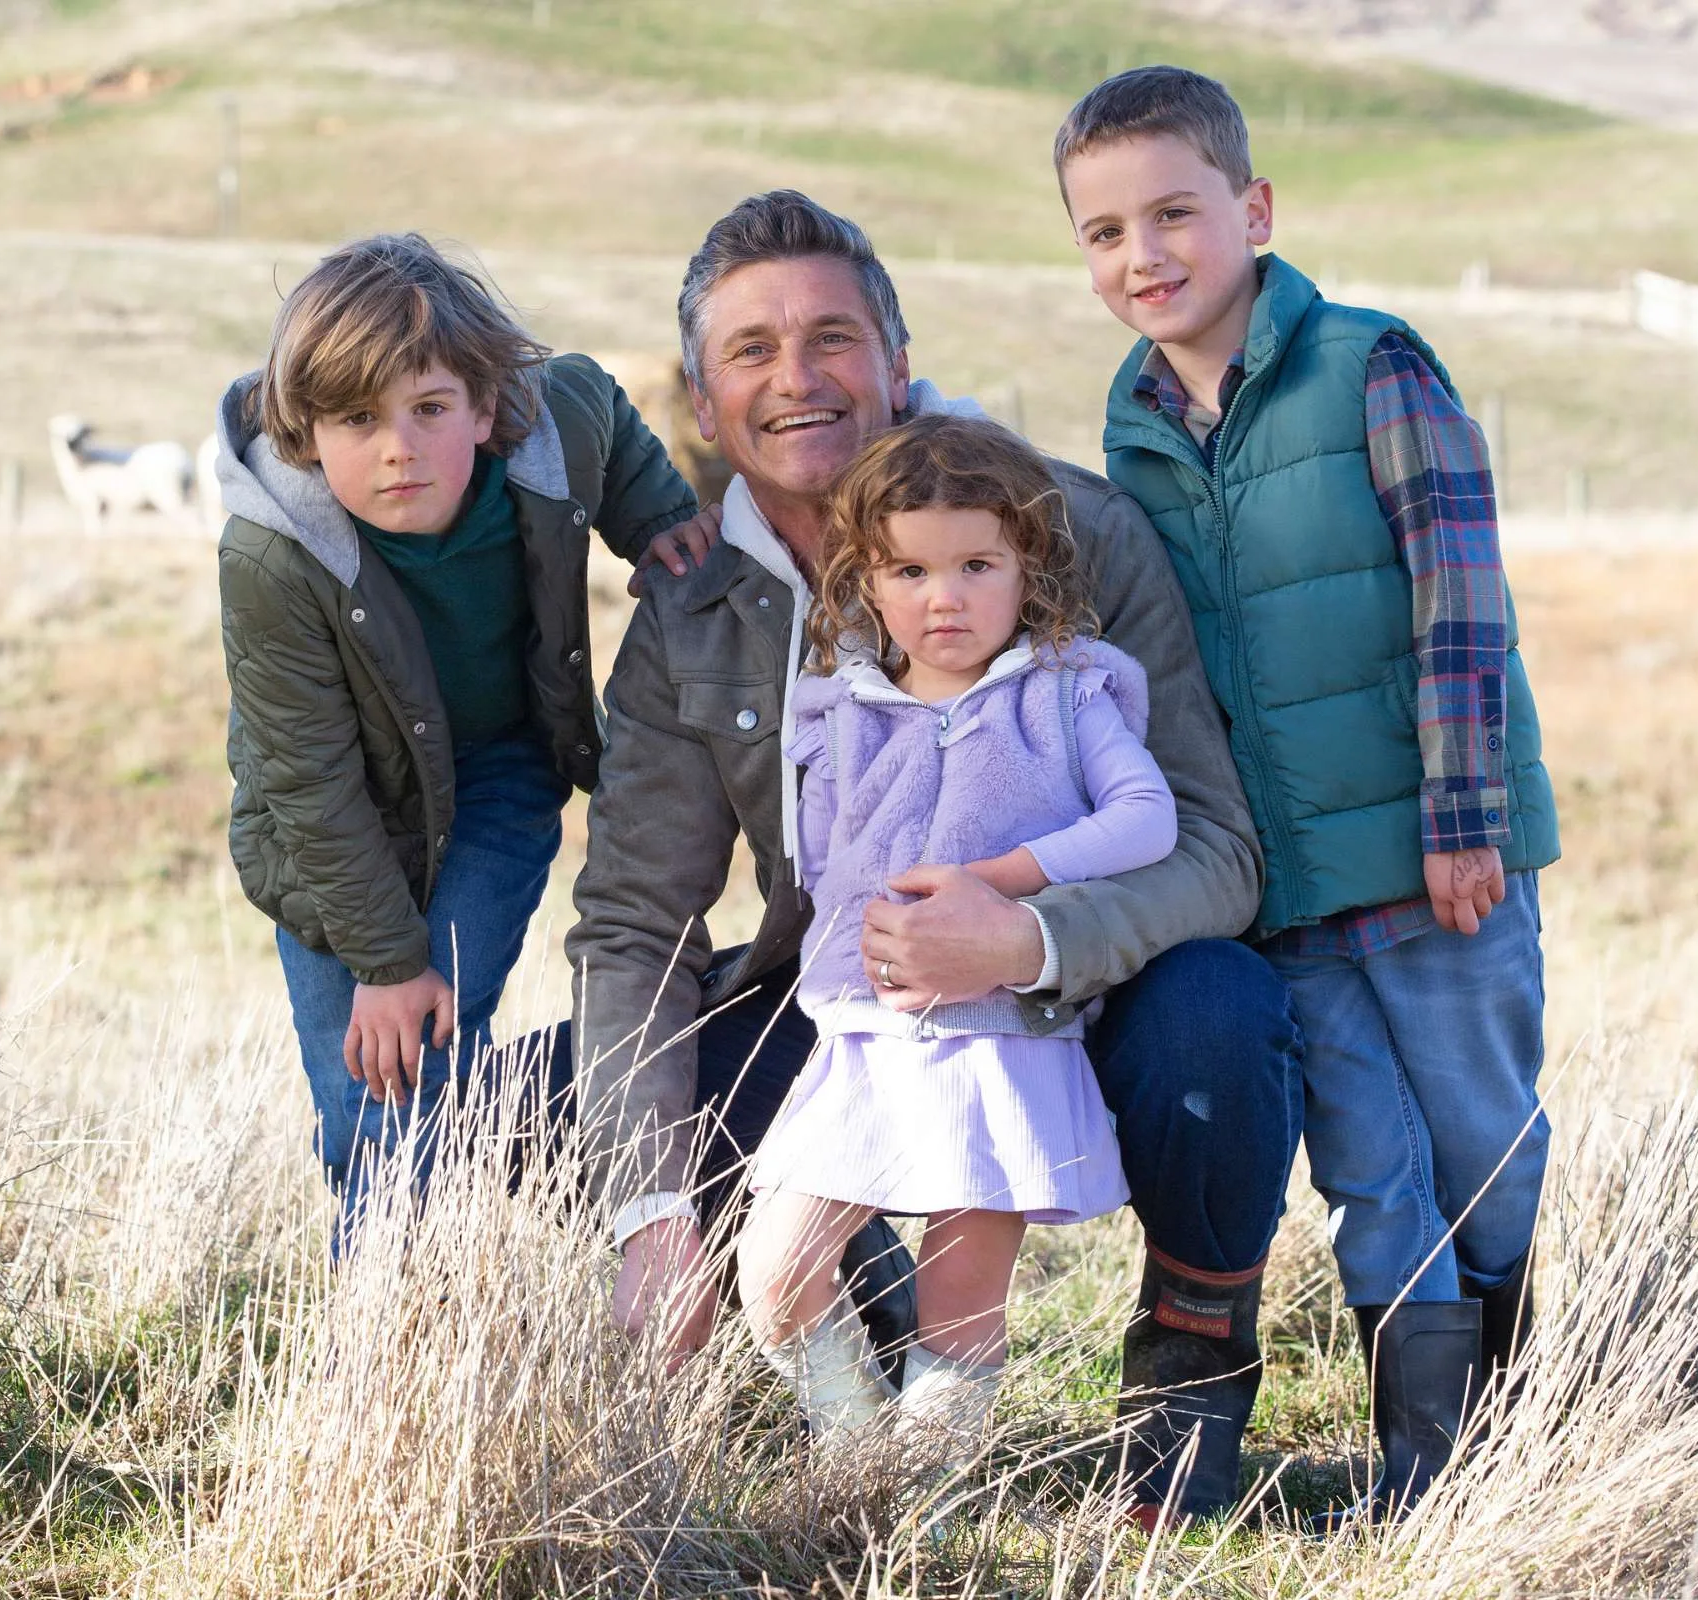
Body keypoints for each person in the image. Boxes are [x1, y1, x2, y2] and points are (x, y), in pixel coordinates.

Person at [563, 190, 1306, 1528]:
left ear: (897, 359)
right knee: (609, 1102)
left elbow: (1213, 849)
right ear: (705, 395)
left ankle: (1188, 1364)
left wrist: (1026, 939)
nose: (798, 378)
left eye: (834, 337)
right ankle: (873, 1396)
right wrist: (647, 1207)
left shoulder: (1064, 529)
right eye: (752, 350)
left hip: (1082, 983)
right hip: (855, 996)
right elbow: (636, 923)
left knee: (1225, 1019)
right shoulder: (694, 603)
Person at [1057, 67, 1561, 1523]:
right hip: (1288, 889)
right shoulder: (1134, 429)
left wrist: (1463, 819)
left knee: (1480, 1141)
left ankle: (1525, 1425)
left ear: (1253, 211)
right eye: (1102, 234)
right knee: (1365, 1166)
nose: (1141, 255)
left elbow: (1458, 600)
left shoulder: (1368, 363)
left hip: (1434, 861)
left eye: (1171, 214)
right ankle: (1424, 1473)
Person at [214, 232, 709, 1241]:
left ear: (484, 408)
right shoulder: (272, 552)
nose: (399, 447)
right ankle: (391, 1326)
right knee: (364, 1096)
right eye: (358, 419)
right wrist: (387, 964)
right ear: (306, 434)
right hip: (336, 826)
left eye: (428, 410)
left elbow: (606, 410)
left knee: (420, 1061)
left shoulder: (550, 420)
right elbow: (309, 784)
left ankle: (409, 1278)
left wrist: (654, 511)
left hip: (498, 778)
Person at [738, 413, 1178, 1459]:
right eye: (911, 570)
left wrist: (1000, 881)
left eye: (978, 564)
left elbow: (1146, 817)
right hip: (862, 1041)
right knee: (778, 1270)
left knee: (962, 1295)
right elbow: (824, 862)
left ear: (1028, 567)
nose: (947, 597)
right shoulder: (845, 713)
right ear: (867, 579)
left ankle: (926, 1500)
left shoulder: (1067, 695)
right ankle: (854, 1449)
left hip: (1002, 1039)